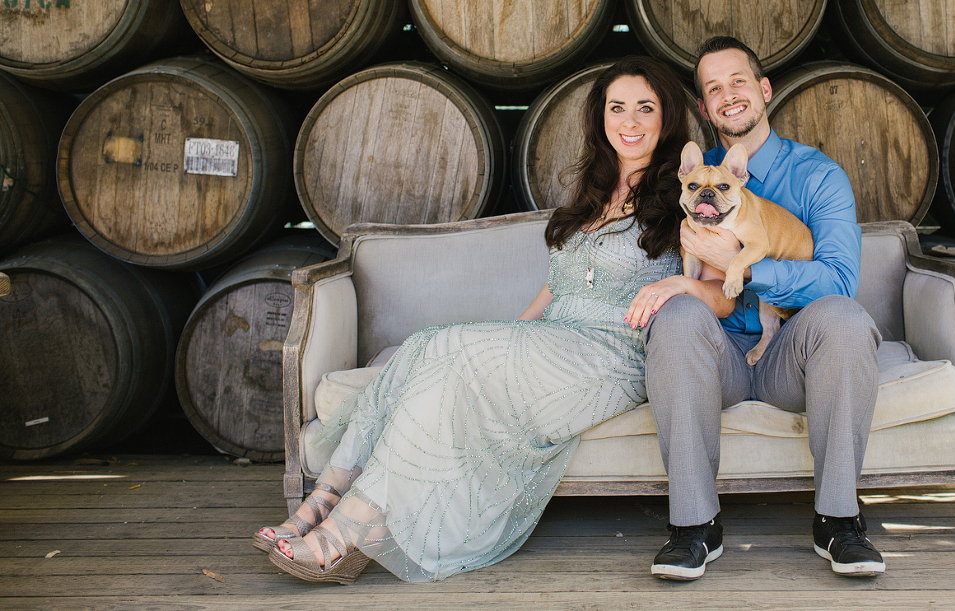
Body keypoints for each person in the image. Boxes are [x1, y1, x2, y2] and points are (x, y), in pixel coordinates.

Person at [254, 55, 734, 583]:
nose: (631, 121)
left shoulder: (689, 194)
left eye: (646, 108)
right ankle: (324, 497)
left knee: (457, 354)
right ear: (601, 117)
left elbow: (722, 297)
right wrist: (513, 335)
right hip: (554, 340)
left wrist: (679, 284)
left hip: (614, 353)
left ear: (666, 118)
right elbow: (559, 285)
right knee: (434, 344)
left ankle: (353, 528)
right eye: (617, 107)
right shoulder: (592, 193)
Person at [644, 36, 884, 580]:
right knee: (676, 317)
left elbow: (840, 282)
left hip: (791, 359)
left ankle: (839, 521)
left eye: (739, 82)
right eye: (713, 89)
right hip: (719, 354)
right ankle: (694, 526)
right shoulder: (694, 180)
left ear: (764, 89)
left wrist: (747, 268)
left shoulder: (818, 176)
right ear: (704, 109)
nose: (728, 96)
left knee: (846, 319)